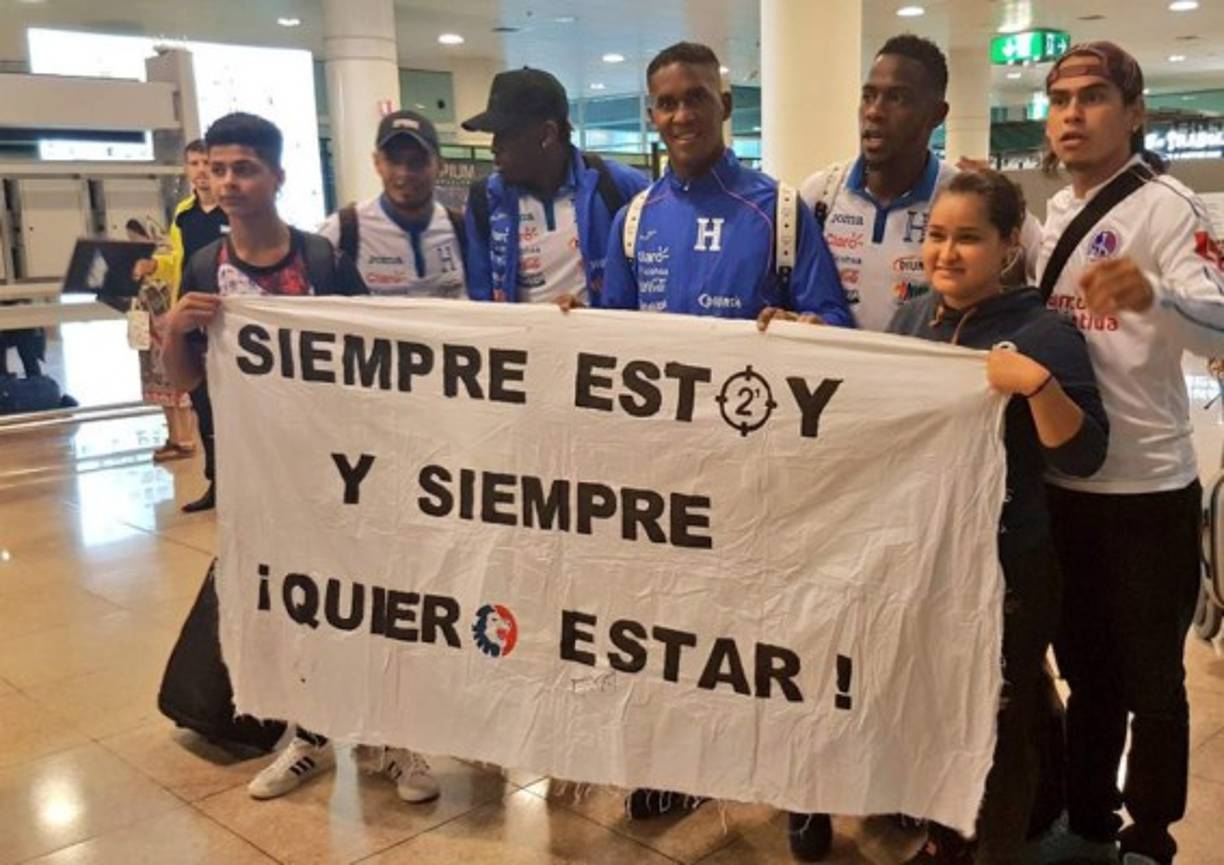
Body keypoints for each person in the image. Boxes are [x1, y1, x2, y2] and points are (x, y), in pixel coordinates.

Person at [595, 40, 848, 847]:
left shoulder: (775, 211)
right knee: (678, 627)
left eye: (694, 98)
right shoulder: (635, 218)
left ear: (725, 103)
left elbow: (837, 323)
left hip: (763, 465)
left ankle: (803, 783)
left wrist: (808, 330)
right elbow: (609, 339)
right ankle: (683, 767)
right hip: (668, 468)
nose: (679, 116)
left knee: (782, 629)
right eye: (664, 102)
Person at [161, 113, 443, 805]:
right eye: (219, 168)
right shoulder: (205, 267)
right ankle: (310, 735)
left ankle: (390, 734)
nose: (230, 182)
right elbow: (188, 378)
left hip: (341, 470)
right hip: (263, 474)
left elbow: (370, 354)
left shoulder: (318, 261)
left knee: (368, 597)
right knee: (296, 606)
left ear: (277, 176)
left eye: (245, 168)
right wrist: (175, 328)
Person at [884, 170, 1108, 864]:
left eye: (969, 239)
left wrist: (1035, 384)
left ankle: (1000, 849)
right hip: (925, 560)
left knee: (1002, 726)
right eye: (937, 236)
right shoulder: (913, 316)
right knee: (935, 711)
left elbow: (1086, 451)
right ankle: (946, 838)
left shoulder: (1044, 331)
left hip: (1009, 566)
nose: (947, 253)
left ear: (1010, 244)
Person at [1037, 42, 1224, 865]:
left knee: (1154, 681)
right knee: (1084, 669)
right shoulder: (1048, 216)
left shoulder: (1171, 208)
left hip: (1148, 487)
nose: (1072, 114)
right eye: (1059, 99)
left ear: (1135, 112)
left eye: (1094, 97)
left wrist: (1158, 295)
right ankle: (1088, 820)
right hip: (1065, 478)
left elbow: (1222, 320)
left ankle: (1152, 836)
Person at [799, 35, 954, 334]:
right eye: (868, 96)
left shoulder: (962, 198)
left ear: (937, 114)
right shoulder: (820, 195)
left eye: (897, 98)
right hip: (833, 378)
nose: (874, 112)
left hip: (923, 377)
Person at [461, 67, 649, 307]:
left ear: (547, 134)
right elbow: (480, 304)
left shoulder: (621, 188)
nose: (494, 147)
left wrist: (594, 318)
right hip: (520, 342)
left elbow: (650, 287)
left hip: (600, 342)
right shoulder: (485, 200)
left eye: (505, 134)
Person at [140, 139, 231, 509]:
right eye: (193, 163)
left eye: (206, 163)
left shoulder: (232, 210)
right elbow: (176, 259)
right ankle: (216, 482)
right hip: (192, 317)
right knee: (202, 404)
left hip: (228, 317)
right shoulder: (184, 214)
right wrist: (154, 267)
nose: (200, 170)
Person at [319, 109, 467, 297]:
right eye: (393, 161)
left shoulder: (461, 230)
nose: (403, 174)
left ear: (439, 165)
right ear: (377, 163)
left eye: (417, 162)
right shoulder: (343, 230)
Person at [127, 218, 196, 463]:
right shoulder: (138, 265)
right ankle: (174, 437)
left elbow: (166, 296)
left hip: (166, 334)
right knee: (161, 391)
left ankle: (185, 438)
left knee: (177, 387)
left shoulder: (165, 262)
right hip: (150, 336)